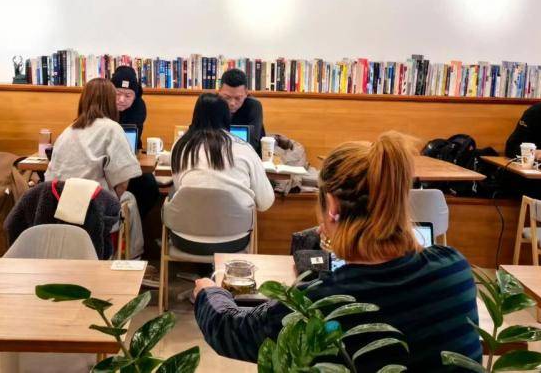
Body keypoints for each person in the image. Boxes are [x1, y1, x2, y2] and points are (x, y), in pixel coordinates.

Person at [192, 132, 481, 371]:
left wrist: (209, 293)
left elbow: (233, 331)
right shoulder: (454, 269)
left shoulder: (319, 303)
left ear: (331, 206)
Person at [171, 94, 274, 253]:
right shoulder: (244, 148)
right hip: (234, 240)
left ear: (195, 115)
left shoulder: (180, 146)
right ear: (227, 117)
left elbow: (179, 187)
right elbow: (265, 203)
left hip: (184, 239)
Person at [47, 77, 141, 199]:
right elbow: (123, 181)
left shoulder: (68, 131)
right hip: (93, 203)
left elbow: (50, 175)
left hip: (59, 202)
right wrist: (111, 202)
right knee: (132, 197)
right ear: (110, 101)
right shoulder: (112, 129)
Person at [111, 66, 160, 219]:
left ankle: (133, 222)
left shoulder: (139, 106)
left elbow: (128, 136)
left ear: (135, 96)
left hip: (130, 157)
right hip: (105, 160)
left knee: (149, 185)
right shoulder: (101, 103)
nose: (121, 99)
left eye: (128, 95)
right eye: (117, 93)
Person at [217, 68, 266, 155]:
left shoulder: (253, 106)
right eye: (227, 97)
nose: (232, 103)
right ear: (219, 91)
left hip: (248, 156)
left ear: (246, 93)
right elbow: (197, 134)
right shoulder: (211, 103)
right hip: (216, 154)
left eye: (238, 98)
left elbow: (252, 143)